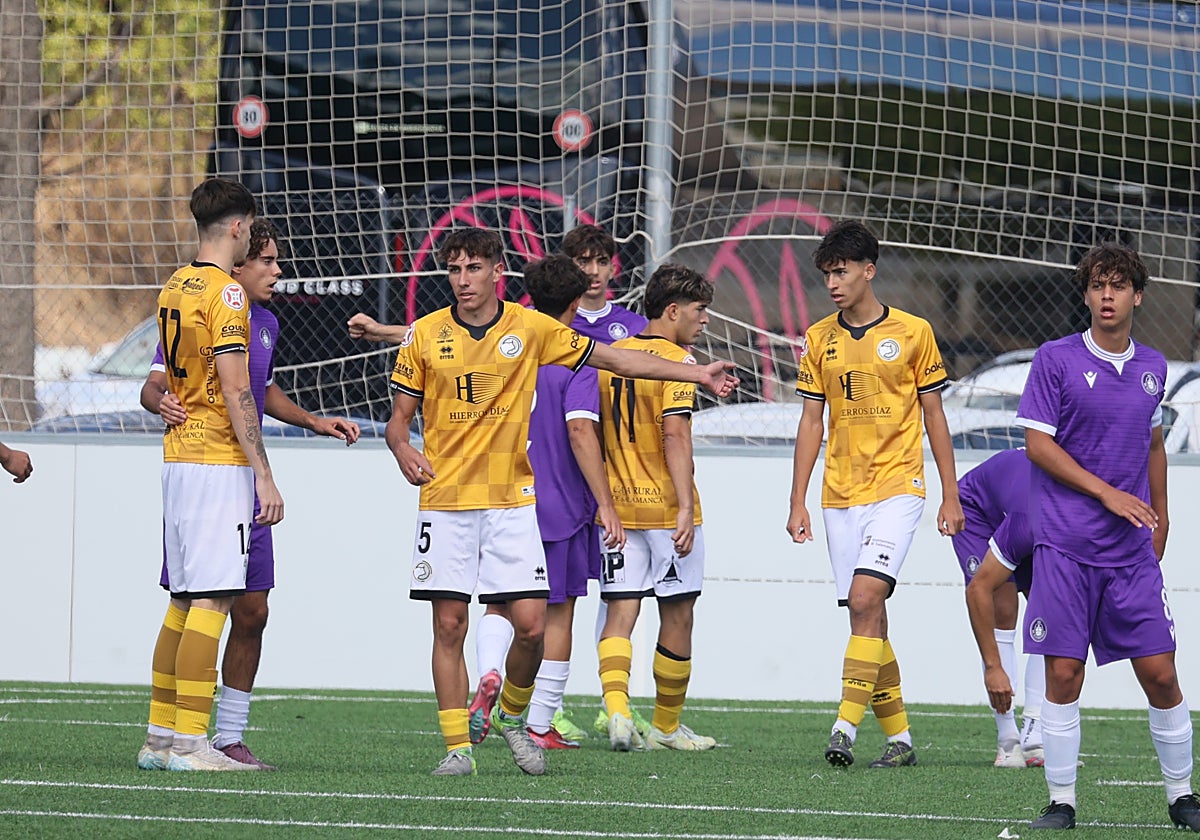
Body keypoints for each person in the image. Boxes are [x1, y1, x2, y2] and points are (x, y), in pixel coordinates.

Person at [384, 228, 737, 777]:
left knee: (530, 626)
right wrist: (403, 447)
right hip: (445, 499)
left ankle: (515, 718)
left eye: (473, 268)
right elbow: (398, 422)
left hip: (512, 502)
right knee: (449, 625)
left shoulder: (531, 328)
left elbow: (618, 361)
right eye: (453, 270)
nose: (462, 280)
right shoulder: (425, 335)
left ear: (496, 271)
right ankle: (457, 749)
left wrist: (696, 370)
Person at [140, 219, 361, 770]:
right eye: (265, 260)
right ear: (237, 261)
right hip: (221, 469)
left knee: (253, 607)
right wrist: (156, 402)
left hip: (231, 470)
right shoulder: (215, 302)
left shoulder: (263, 321)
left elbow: (257, 389)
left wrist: (311, 420)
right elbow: (158, 381)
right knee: (203, 600)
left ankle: (223, 735)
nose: (276, 271)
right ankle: (185, 740)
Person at [1015, 242, 1200, 831]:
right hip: (1066, 546)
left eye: (1118, 286)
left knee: (1161, 673)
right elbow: (1038, 446)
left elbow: (1151, 445)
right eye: (1097, 286)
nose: (1107, 296)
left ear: (1137, 295)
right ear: (1087, 294)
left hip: (1129, 555)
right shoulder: (1056, 358)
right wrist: (1105, 493)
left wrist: (1161, 515)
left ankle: (1181, 796)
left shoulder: (1153, 367)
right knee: (1063, 675)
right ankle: (1062, 803)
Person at [786, 219, 964, 769]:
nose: (834, 283)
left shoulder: (914, 332)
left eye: (842, 272)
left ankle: (843, 726)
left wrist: (949, 494)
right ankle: (902, 739)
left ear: (870, 270)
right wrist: (797, 500)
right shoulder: (819, 339)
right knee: (868, 619)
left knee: (866, 600)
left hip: (898, 487)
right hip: (839, 494)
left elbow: (934, 414)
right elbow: (811, 422)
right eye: (827, 275)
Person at [135, 178, 284, 772]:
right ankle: (194, 744)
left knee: (183, 598)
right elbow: (235, 389)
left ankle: (160, 737)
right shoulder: (227, 295)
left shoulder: (176, 285)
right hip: (217, 463)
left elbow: (167, 382)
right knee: (215, 597)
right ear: (237, 228)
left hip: (177, 459)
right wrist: (263, 475)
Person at [469, 255, 626, 751]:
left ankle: (489, 672)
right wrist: (605, 502)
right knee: (557, 612)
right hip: (558, 504)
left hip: (501, 496)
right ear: (577, 302)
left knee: (498, 601)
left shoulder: (506, 342)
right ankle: (538, 722)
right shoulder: (573, 353)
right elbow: (581, 429)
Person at [593, 262, 719, 753]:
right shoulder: (679, 364)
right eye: (699, 310)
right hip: (667, 509)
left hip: (619, 511)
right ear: (672, 310)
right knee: (678, 613)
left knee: (620, 613)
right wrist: (686, 507)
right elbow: (675, 433)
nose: (704, 319)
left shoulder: (614, 356)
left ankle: (619, 713)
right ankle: (665, 727)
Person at [954, 448, 1045, 768]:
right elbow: (977, 590)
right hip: (978, 512)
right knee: (1002, 606)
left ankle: (1035, 735)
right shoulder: (1031, 515)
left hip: (1024, 512)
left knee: (1050, 610)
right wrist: (994, 668)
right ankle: (1008, 740)